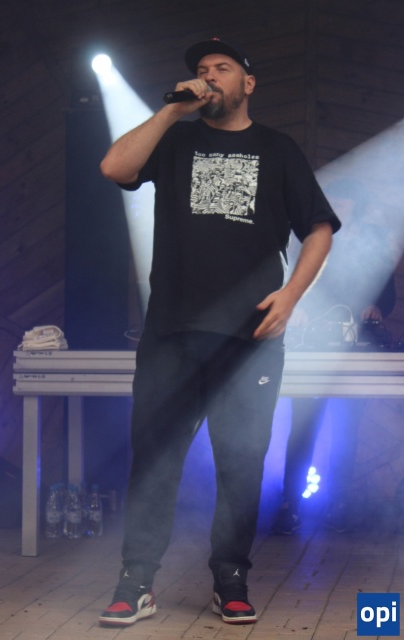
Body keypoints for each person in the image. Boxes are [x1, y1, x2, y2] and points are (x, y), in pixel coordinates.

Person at [98, 37, 340, 627]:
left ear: (247, 83)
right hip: (172, 332)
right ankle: (136, 581)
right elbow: (115, 167)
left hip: (248, 340)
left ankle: (230, 579)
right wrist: (171, 110)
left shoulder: (277, 150)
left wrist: (291, 295)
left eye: (221, 69)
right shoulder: (175, 140)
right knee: (154, 458)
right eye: (202, 70)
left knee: (241, 462)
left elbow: (319, 229)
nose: (209, 77)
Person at [272, 178, 396, 535]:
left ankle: (338, 503)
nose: (338, 204)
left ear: (356, 205)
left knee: (346, 429)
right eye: (334, 200)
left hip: (353, 349)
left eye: (344, 200)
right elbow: (291, 280)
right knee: (302, 427)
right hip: (312, 347)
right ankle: (290, 503)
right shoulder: (311, 237)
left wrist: (375, 306)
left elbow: (387, 295)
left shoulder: (373, 241)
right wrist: (298, 306)